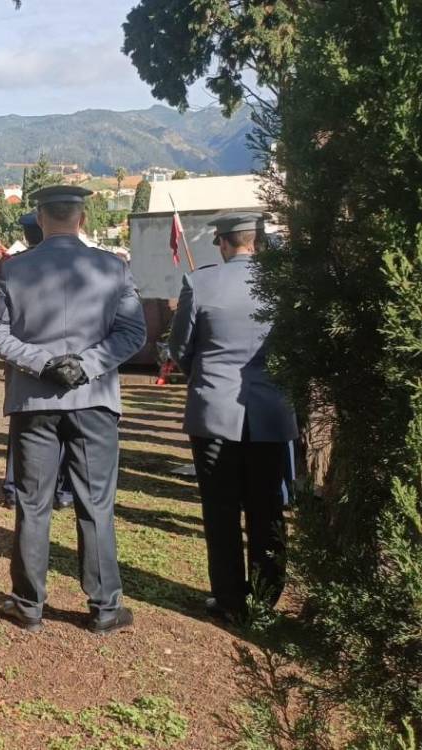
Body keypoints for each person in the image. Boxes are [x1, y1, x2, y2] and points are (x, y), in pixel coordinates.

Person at [0, 185, 146, 635]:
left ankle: (28, 603)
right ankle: (105, 607)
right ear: (81, 216)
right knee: (96, 504)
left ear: (40, 216)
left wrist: (42, 363)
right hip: (93, 399)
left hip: (36, 400)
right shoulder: (114, 268)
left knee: (33, 504)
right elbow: (132, 334)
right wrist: (85, 365)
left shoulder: (14, 270)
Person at [169, 212, 297, 624]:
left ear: (224, 243)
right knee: (268, 509)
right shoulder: (284, 286)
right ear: (257, 242)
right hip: (272, 411)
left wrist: (205, 378)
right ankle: (266, 599)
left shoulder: (200, 282)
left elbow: (180, 348)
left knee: (220, 510)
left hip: (215, 410)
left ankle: (228, 599)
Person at [0, 212, 76, 512]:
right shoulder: (67, 263)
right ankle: (61, 490)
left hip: (22, 360)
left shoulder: (13, 266)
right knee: (66, 425)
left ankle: (13, 487)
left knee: (21, 429)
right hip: (67, 362)